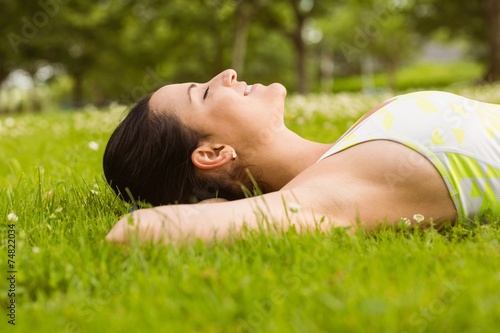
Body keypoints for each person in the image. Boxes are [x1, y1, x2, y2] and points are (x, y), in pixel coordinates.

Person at [104, 69, 500, 245]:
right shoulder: (330, 192)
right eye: (205, 93)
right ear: (213, 154)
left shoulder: (355, 142)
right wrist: (213, 205)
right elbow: (134, 232)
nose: (226, 73)